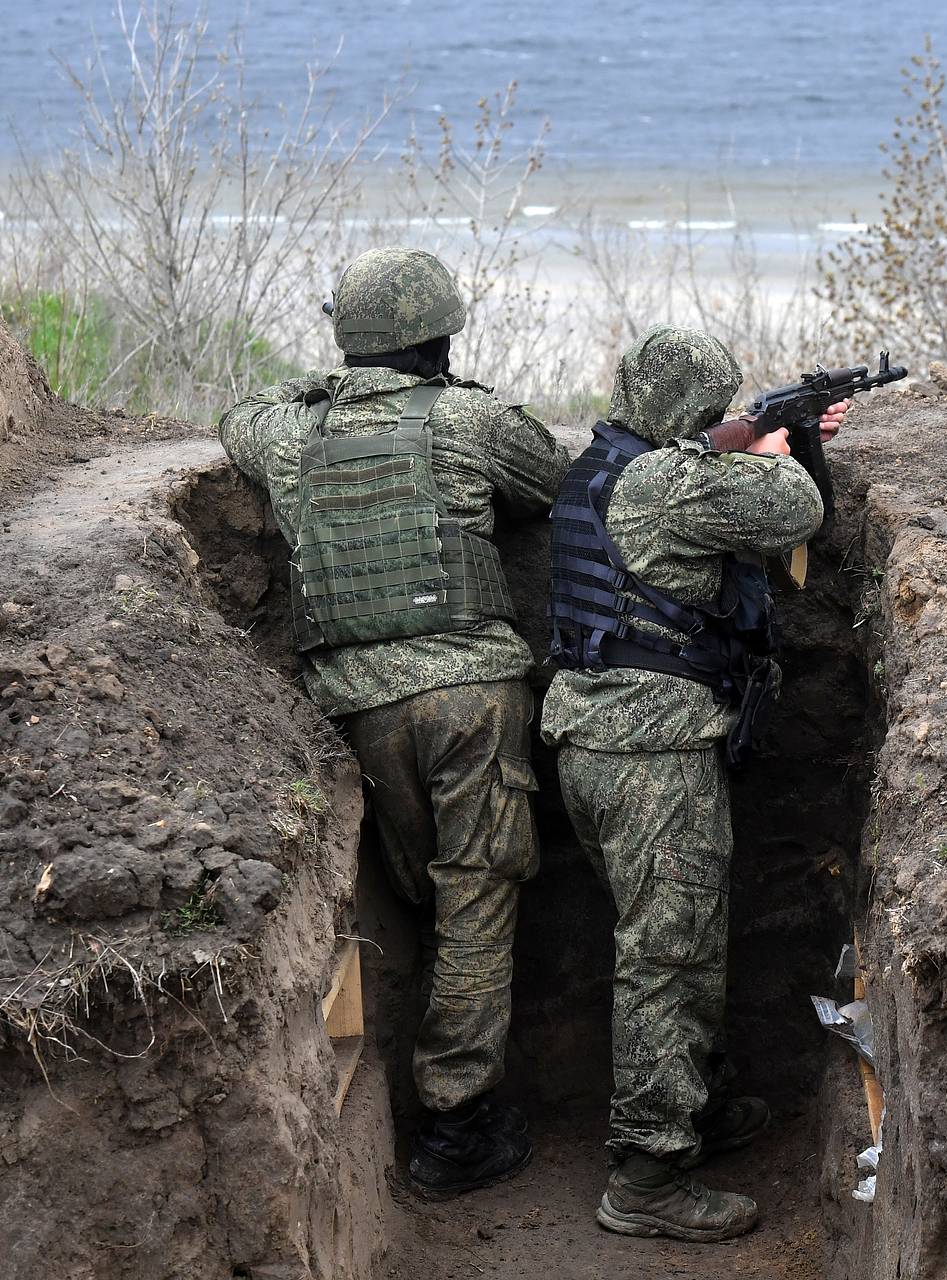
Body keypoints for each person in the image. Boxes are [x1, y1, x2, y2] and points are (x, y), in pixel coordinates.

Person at [219, 247, 569, 1199]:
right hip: (472, 698)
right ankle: (459, 1125)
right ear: (441, 334)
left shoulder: (295, 438)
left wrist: (331, 385)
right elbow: (549, 477)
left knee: (425, 894)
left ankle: (445, 1097)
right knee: (476, 900)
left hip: (359, 708)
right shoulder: (464, 419)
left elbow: (238, 416)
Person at [540, 324, 845, 1241]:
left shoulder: (602, 464)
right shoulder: (667, 484)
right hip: (653, 754)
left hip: (599, 743)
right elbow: (793, 511)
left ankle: (693, 1112)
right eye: (713, 411)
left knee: (673, 942)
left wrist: (763, 434)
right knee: (668, 958)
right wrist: (778, 450)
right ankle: (648, 1178)